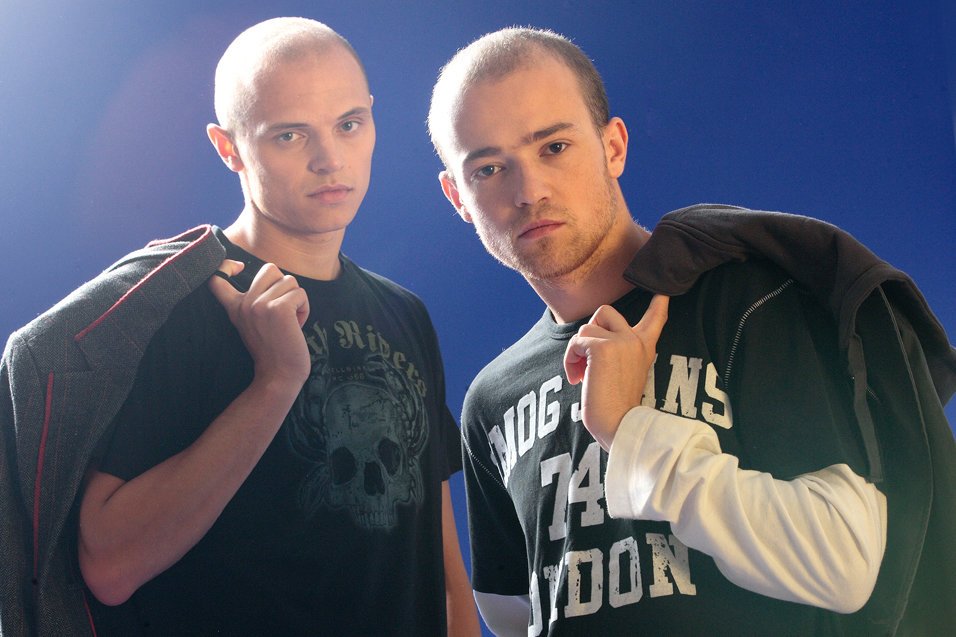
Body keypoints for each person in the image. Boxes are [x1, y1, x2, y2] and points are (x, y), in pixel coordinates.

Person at [427, 27, 955, 635]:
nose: (529, 191)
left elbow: (844, 562)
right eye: (489, 168)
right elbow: (512, 608)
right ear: (457, 196)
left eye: (554, 147)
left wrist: (629, 430)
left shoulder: (748, 301)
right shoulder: (490, 399)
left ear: (613, 147)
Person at [0, 17, 480, 636]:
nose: (329, 159)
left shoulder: (403, 312)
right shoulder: (182, 304)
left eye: (348, 124)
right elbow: (108, 565)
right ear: (228, 148)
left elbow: (440, 567)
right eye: (289, 135)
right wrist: (274, 382)